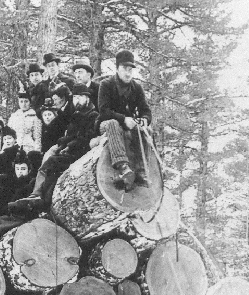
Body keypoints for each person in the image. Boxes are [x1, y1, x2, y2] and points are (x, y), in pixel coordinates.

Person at [13, 83, 98, 216]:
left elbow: (85, 138)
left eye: (80, 97)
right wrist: (62, 144)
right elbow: (69, 134)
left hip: (81, 152)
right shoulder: (76, 115)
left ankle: (44, 201)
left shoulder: (92, 115)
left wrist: (68, 146)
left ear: (87, 98)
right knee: (47, 164)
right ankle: (36, 194)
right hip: (69, 149)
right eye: (75, 97)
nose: (77, 100)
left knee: (52, 164)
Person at [97, 50, 152, 188]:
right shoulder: (106, 84)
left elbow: (145, 110)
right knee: (113, 123)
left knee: (144, 129)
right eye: (124, 69)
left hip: (128, 124)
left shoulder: (136, 87)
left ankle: (141, 170)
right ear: (117, 68)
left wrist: (144, 120)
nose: (128, 73)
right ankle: (123, 166)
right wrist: (123, 119)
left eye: (130, 70)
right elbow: (103, 111)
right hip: (107, 124)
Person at [9, 90, 42, 156]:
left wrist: (37, 152)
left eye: (26, 101)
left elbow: (37, 137)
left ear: (30, 102)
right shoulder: (14, 116)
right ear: (18, 103)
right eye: (21, 101)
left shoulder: (35, 117)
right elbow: (9, 134)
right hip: (14, 146)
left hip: (28, 147)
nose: (24, 104)